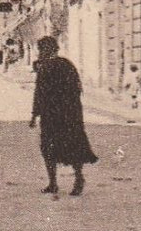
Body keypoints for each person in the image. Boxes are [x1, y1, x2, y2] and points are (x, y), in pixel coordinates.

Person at [29, 35, 98, 197]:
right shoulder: (67, 64)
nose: (40, 52)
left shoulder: (45, 67)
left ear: (49, 49)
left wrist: (34, 115)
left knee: (49, 147)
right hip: (69, 113)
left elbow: (39, 93)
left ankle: (56, 183)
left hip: (52, 115)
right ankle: (75, 179)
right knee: (72, 145)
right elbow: (77, 88)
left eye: (41, 49)